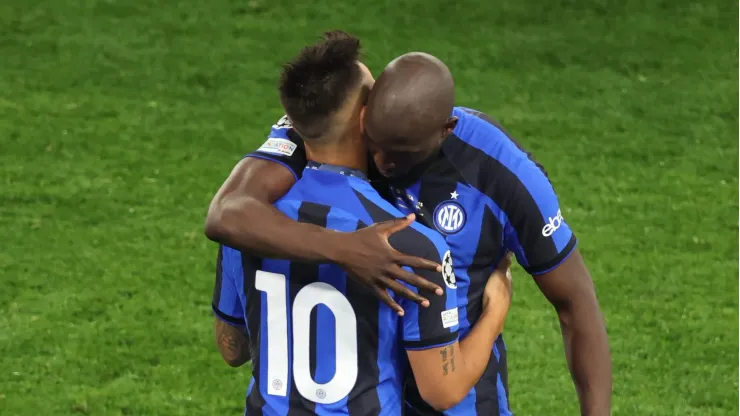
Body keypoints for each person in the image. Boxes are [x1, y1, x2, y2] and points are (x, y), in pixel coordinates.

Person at [205, 39, 611, 416]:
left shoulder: (497, 171)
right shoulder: (412, 243)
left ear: (444, 129)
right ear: (362, 116)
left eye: (399, 153)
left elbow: (575, 302)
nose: (382, 164)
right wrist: (496, 309)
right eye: (374, 142)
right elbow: (226, 213)